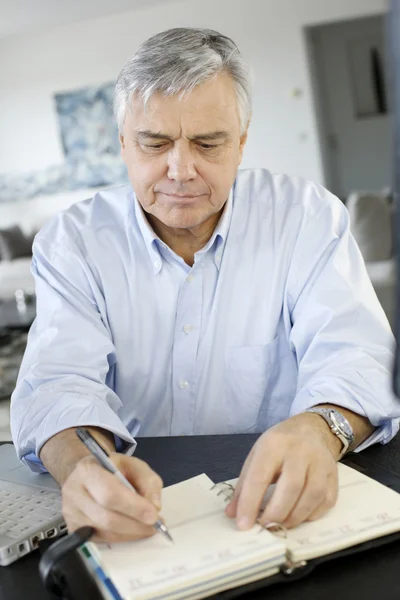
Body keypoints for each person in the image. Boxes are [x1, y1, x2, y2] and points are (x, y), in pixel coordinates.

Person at [11, 28, 400, 543]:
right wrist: (82, 464)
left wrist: (320, 431)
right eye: (154, 144)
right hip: (136, 505)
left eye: (207, 143)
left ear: (241, 141)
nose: (180, 170)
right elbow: (57, 382)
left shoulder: (305, 217)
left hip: (277, 500)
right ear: (123, 143)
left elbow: (357, 356)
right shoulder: (73, 242)